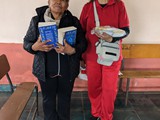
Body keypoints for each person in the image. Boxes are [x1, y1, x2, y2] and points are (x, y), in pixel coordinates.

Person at [23, 0, 87, 120]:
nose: (58, 2)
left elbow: (83, 44)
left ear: (67, 5)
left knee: (65, 99)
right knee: (48, 100)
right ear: (48, 2)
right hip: (45, 70)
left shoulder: (73, 21)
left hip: (67, 70)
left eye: (63, 0)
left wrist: (72, 50)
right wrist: (34, 47)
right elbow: (26, 42)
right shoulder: (37, 20)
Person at [80, 0, 130, 120]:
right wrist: (81, 56)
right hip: (91, 55)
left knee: (109, 89)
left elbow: (126, 30)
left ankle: (106, 116)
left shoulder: (119, 5)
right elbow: (81, 32)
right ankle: (96, 113)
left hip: (111, 55)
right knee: (93, 87)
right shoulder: (88, 7)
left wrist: (111, 38)